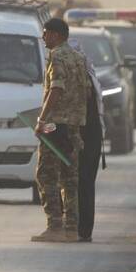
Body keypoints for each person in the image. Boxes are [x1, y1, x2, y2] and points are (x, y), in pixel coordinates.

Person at [31, 18, 90, 243]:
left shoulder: (56, 56)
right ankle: (71, 228)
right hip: (75, 125)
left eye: (45, 33)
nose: (43, 37)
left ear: (56, 34)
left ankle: (54, 225)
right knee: (70, 178)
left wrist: (41, 120)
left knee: (45, 175)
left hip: (54, 125)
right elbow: (87, 92)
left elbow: (55, 90)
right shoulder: (78, 57)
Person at [69, 38, 106, 243]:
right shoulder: (89, 74)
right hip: (92, 135)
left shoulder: (80, 78)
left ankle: (80, 229)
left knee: (81, 183)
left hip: (84, 136)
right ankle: (83, 230)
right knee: (85, 184)